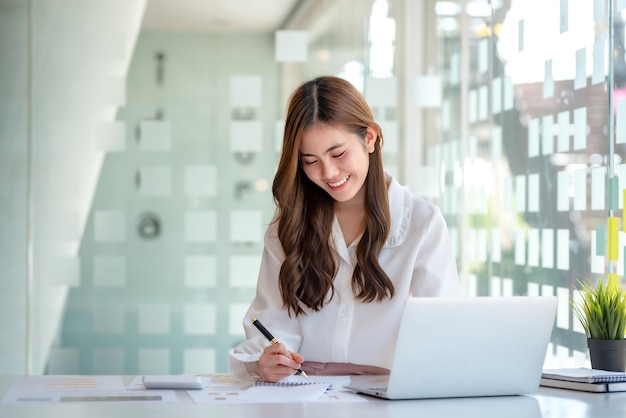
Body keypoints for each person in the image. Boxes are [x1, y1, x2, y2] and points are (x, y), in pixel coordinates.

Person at [228, 75, 460, 383]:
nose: (328, 173)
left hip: (391, 392)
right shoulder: (288, 228)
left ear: (370, 137)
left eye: (338, 154)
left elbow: (446, 333)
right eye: (310, 161)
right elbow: (270, 329)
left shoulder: (422, 223)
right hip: (302, 392)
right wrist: (264, 363)